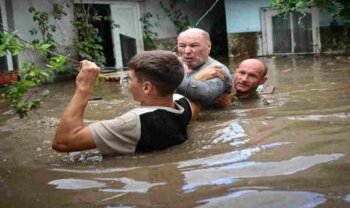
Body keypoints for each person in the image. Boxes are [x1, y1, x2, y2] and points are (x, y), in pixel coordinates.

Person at [52, 50, 200, 156]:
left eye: (129, 79)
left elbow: (63, 142)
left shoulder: (133, 121)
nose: (128, 84)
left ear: (147, 87)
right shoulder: (183, 102)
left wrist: (84, 89)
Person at [176, 28, 233, 109]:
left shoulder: (218, 69)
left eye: (194, 45)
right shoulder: (173, 64)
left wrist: (166, 81)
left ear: (209, 46)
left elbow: (204, 95)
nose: (187, 51)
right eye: (182, 46)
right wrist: (199, 77)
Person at [197, 58, 268, 107]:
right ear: (235, 72)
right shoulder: (218, 85)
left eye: (252, 76)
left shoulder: (261, 103)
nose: (244, 79)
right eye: (242, 73)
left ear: (262, 80)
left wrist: (228, 106)